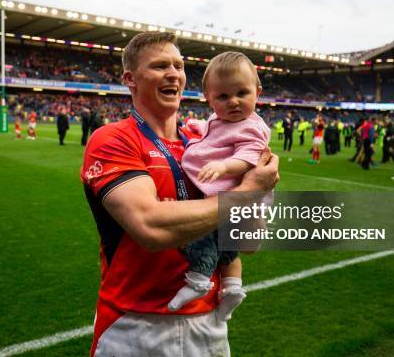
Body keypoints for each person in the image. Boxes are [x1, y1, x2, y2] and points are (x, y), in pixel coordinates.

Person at [81, 32, 279, 357]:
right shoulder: (114, 139)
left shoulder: (206, 145)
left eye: (178, 65)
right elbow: (151, 227)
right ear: (130, 78)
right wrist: (247, 192)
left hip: (209, 325)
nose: (174, 73)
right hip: (134, 326)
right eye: (160, 66)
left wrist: (257, 193)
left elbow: (249, 242)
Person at [168, 52, 272, 321]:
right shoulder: (223, 120)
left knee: (205, 235)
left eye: (242, 93)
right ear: (209, 97)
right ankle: (233, 289)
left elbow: (248, 155)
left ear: (257, 92)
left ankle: (199, 279)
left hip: (234, 194)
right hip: (232, 197)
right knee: (228, 250)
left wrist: (224, 167)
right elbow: (217, 131)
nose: (234, 102)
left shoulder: (251, 128)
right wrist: (198, 125)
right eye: (223, 97)